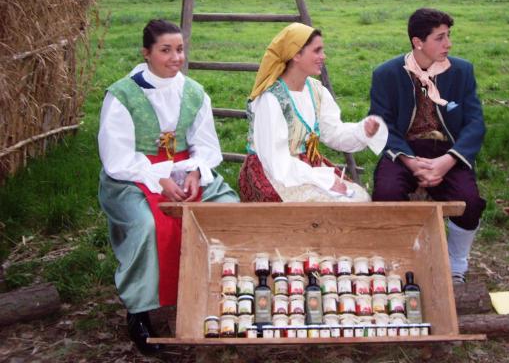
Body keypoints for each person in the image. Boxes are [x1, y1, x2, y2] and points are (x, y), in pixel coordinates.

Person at [98, 19, 239, 355]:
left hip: (185, 168)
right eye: (166, 50)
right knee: (146, 224)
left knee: (227, 211)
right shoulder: (122, 95)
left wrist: (196, 172)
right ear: (146, 53)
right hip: (133, 175)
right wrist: (158, 178)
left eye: (180, 49)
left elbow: (206, 146)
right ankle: (139, 310)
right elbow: (116, 157)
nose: (176, 57)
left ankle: (221, 294)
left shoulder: (193, 92)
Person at [369, 8, 486, 284]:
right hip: (403, 150)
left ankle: (456, 263)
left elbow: (475, 123)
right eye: (440, 38)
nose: (449, 44)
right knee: (385, 193)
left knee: (469, 201)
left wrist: (448, 161)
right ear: (417, 42)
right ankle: (397, 257)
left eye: (448, 36)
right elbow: (381, 123)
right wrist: (410, 161)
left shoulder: (461, 71)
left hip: (447, 151)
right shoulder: (386, 73)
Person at [239, 22, 387, 202]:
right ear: (296, 55)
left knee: (359, 198)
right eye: (317, 51)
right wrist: (323, 179)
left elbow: (333, 133)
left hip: (306, 167)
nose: (323, 56)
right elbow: (275, 160)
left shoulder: (317, 91)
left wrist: (362, 131)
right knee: (335, 205)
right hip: (273, 172)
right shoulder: (271, 99)